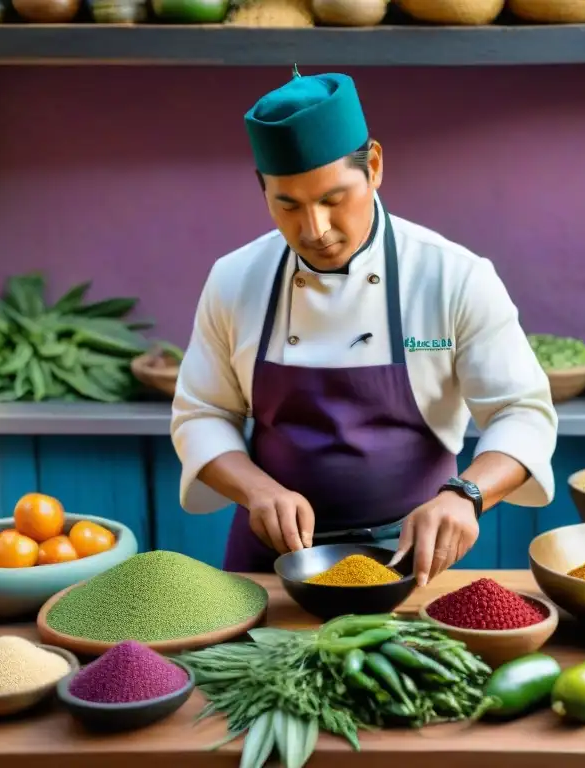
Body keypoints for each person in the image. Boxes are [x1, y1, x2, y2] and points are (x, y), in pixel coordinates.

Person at [171, 68, 557, 586]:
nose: (315, 230)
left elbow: (522, 412)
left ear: (373, 166)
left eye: (333, 199)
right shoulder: (235, 279)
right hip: (272, 561)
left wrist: (466, 495)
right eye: (287, 205)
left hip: (414, 558)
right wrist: (256, 491)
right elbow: (202, 413)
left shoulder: (453, 275)